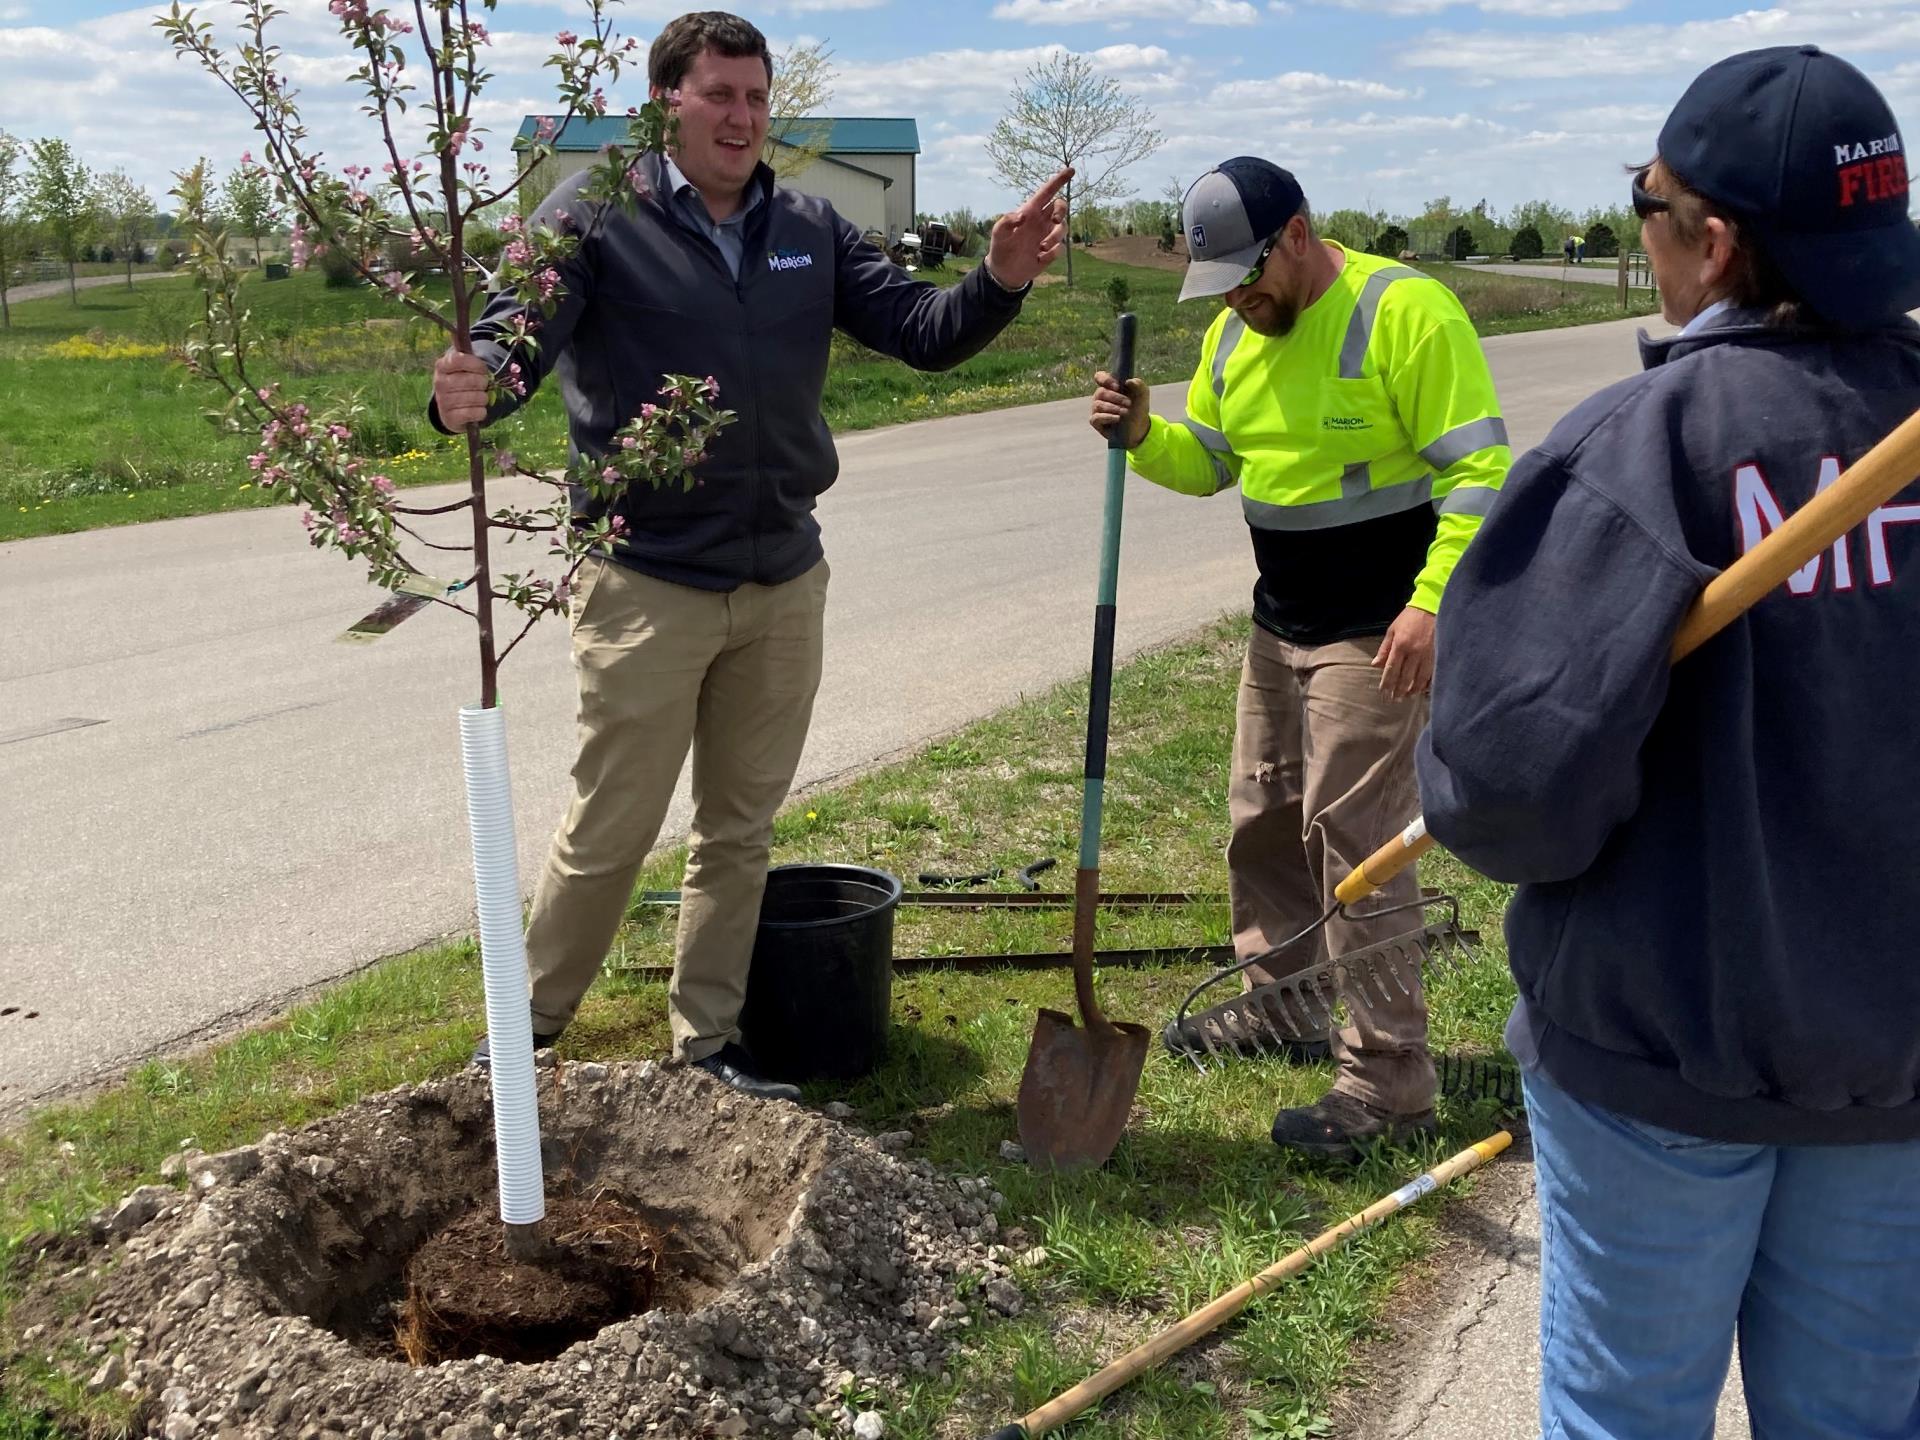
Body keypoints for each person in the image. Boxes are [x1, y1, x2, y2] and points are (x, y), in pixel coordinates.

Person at [1417, 45, 1920, 1440]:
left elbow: (1507, 788)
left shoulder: (1641, 455)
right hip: (1897, 1063)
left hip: (1667, 1055)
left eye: (1644, 202)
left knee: (1628, 1415)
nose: (1643, 233)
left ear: (1713, 243)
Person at [434, 11, 1068, 1102]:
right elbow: (511, 340)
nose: (741, 117)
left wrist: (997, 285)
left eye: (757, 97)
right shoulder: (592, 220)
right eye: (719, 94)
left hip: (782, 578)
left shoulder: (809, 227)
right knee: (611, 824)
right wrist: (467, 390)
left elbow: (919, 332)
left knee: (738, 831)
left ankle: (708, 1046)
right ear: (667, 101)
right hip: (647, 579)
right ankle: (524, 1037)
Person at [1087, 157, 1510, 1157]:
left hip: (1380, 629)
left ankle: (1389, 1083)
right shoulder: (1236, 334)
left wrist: (1432, 603)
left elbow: (1483, 468)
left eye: (1250, 271)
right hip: (1281, 622)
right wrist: (1148, 435)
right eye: (1221, 282)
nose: (1238, 296)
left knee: (1355, 850)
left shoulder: (1405, 312)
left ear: (1298, 232)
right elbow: (1215, 462)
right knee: (1266, 821)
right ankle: (1280, 1008)